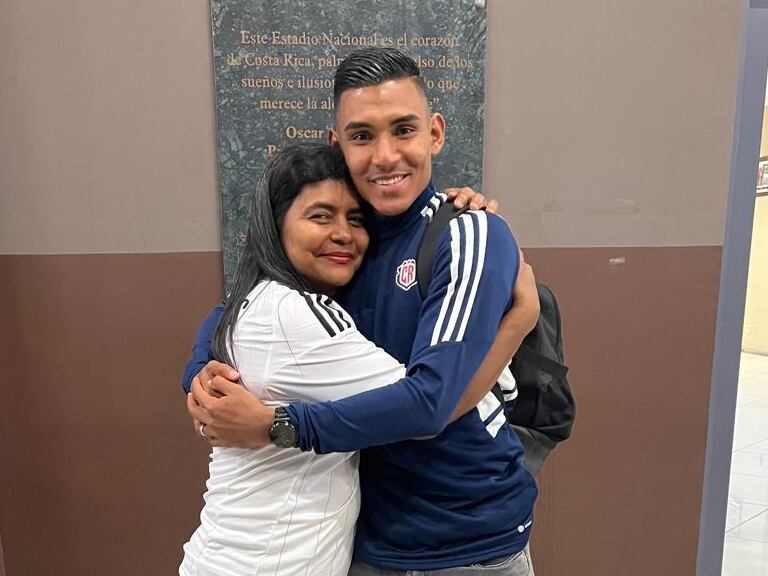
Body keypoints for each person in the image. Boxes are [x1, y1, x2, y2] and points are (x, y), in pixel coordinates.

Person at [185, 48, 540, 575]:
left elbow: (429, 404)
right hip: (366, 539)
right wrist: (200, 375)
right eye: (362, 136)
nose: (385, 155)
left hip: (465, 541)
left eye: (404, 130)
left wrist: (276, 426)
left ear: (435, 134)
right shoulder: (350, 241)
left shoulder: (465, 231)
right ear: (339, 145)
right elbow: (242, 307)